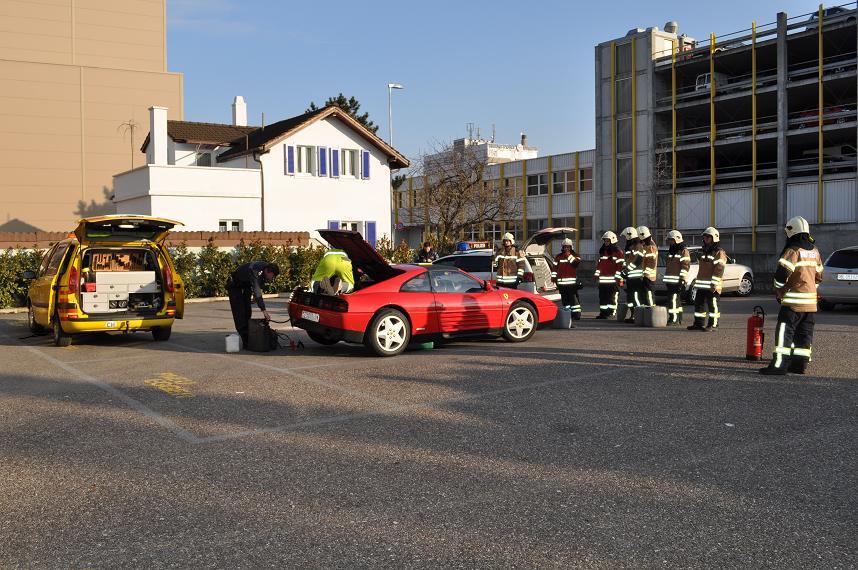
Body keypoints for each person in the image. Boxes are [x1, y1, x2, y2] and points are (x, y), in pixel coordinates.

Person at [760, 216, 823, 375]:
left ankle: (779, 366)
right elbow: (819, 276)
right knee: (804, 335)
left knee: (784, 334)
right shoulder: (814, 252)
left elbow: (781, 276)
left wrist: (779, 290)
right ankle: (799, 365)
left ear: (791, 231)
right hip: (810, 305)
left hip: (792, 305)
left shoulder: (793, 251)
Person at [227, 261, 279, 345]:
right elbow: (257, 289)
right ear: (268, 272)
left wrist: (255, 297)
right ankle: (246, 341)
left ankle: (248, 337)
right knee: (240, 313)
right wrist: (264, 311)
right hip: (235, 284)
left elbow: (259, 284)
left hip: (245, 285)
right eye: (272, 276)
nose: (272, 278)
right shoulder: (256, 271)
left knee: (247, 311)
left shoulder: (265, 268)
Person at [688, 227, 727, 331]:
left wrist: (714, 284)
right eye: (704, 237)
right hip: (702, 285)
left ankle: (713, 325)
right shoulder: (705, 251)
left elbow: (719, 269)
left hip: (712, 285)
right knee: (699, 305)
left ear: (714, 238)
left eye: (708, 237)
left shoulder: (719, 252)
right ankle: (698, 324)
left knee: (713, 306)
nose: (705, 239)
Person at [663, 230, 691, 325]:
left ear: (677, 240)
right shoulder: (672, 251)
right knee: (676, 301)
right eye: (669, 240)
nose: (669, 242)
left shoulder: (683, 251)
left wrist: (682, 280)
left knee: (673, 300)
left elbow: (685, 266)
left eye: (671, 240)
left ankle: (674, 319)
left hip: (677, 281)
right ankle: (678, 319)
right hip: (670, 281)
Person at [594, 231, 624, 319]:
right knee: (603, 297)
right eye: (605, 241)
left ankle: (611, 313)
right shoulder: (603, 251)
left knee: (612, 298)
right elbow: (600, 265)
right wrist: (596, 275)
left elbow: (620, 266)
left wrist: (618, 278)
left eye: (607, 241)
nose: (606, 242)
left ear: (612, 240)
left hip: (613, 281)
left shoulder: (618, 252)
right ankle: (603, 313)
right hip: (603, 280)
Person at [552, 238, 582, 319]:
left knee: (573, 300)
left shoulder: (576, 255)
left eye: (568, 247)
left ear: (571, 247)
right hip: (561, 284)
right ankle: (568, 314)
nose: (566, 248)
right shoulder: (558, 257)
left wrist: (569, 256)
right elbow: (554, 268)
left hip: (571, 284)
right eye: (565, 247)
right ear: (562, 247)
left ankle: (576, 315)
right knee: (565, 301)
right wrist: (553, 277)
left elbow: (576, 264)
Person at [620, 226, 644, 323]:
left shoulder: (638, 246)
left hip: (636, 277)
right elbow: (627, 261)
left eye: (626, 236)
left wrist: (627, 270)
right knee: (630, 298)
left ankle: (638, 316)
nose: (625, 239)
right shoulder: (629, 247)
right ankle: (633, 315)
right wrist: (623, 270)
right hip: (630, 277)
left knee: (636, 297)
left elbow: (638, 260)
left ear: (629, 235)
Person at [637, 225, 658, 307]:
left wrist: (645, 274)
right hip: (646, 276)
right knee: (645, 296)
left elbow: (651, 263)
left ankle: (652, 311)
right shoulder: (646, 245)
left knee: (649, 296)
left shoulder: (650, 247)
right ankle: (647, 311)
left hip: (648, 277)